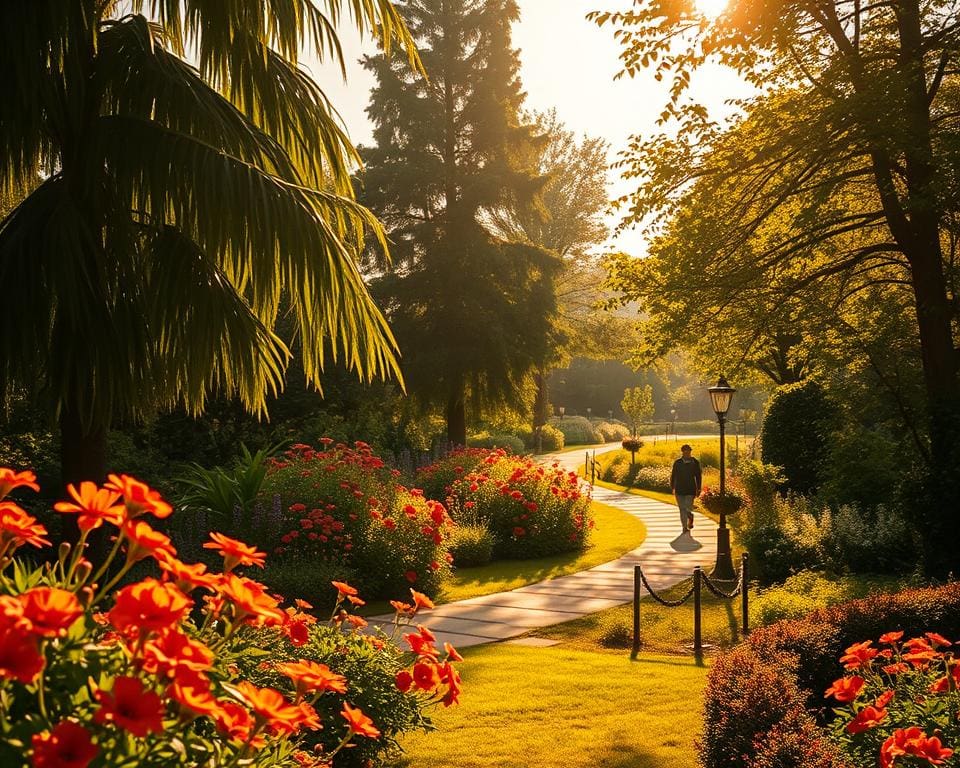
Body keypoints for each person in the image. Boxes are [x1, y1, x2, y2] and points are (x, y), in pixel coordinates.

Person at [670, 444, 702, 535]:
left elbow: (698, 476)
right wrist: (673, 487)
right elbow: (673, 475)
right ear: (682, 452)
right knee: (681, 509)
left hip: (690, 489)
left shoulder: (695, 462)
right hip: (679, 489)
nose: (687, 453)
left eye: (689, 451)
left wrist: (699, 488)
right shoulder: (678, 463)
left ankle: (690, 517)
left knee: (687, 507)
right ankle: (684, 527)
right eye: (685, 451)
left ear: (690, 452)